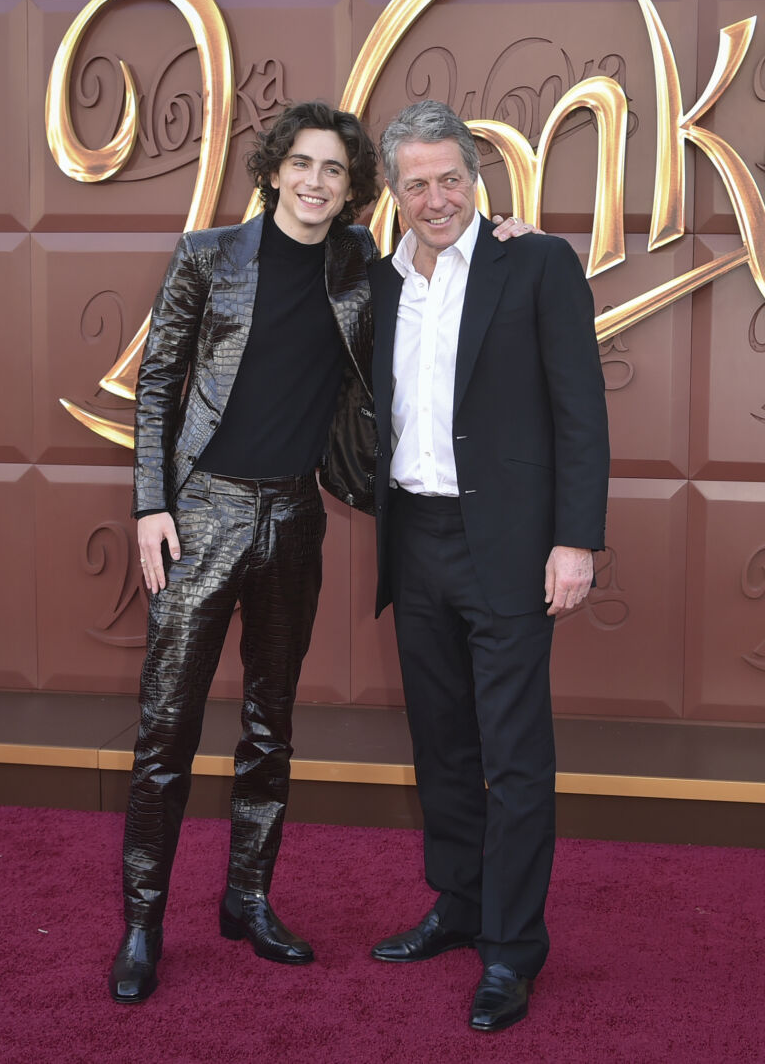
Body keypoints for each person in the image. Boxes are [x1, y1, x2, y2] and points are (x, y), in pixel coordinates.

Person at [110, 99, 532, 1005]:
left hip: (294, 521)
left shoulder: (358, 272)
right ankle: (142, 923)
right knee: (165, 733)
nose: (314, 181)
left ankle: (248, 900)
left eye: (334, 170)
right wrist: (151, 503)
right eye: (301, 164)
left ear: (352, 190)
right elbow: (156, 384)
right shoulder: (205, 259)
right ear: (272, 172)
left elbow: (442, 295)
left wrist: (503, 237)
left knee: (270, 728)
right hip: (203, 516)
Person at [366, 100, 610, 1032]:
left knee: (513, 759)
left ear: (480, 179)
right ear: (394, 194)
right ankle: (459, 905)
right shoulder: (378, 281)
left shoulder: (537, 263)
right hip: (415, 542)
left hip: (508, 547)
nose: (437, 198)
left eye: (451, 178)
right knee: (443, 748)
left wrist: (575, 539)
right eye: (417, 183)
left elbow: (580, 413)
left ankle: (512, 950)